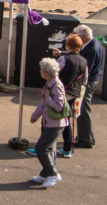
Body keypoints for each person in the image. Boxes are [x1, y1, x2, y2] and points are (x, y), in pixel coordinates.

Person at [29, 57, 68, 188]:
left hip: (55, 124)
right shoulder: (49, 83)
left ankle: (53, 174)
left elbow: (59, 106)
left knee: (41, 148)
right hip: (49, 122)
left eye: (41, 69)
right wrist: (35, 115)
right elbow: (43, 103)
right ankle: (45, 174)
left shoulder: (56, 86)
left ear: (46, 72)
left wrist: (48, 98)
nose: (40, 71)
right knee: (49, 149)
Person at [52, 34, 88, 158]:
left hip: (60, 93)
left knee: (51, 119)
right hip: (73, 95)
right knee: (66, 120)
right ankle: (67, 149)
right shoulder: (84, 61)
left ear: (67, 45)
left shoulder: (63, 59)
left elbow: (53, 75)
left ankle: (46, 146)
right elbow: (84, 81)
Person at [71, 25, 103, 149]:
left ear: (82, 37)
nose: (74, 37)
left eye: (76, 35)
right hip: (90, 80)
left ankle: (85, 140)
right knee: (84, 109)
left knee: (82, 109)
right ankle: (88, 137)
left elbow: (83, 67)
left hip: (87, 82)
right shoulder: (91, 43)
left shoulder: (92, 49)